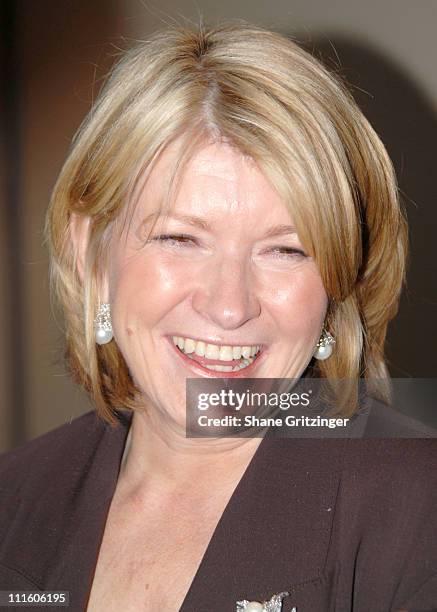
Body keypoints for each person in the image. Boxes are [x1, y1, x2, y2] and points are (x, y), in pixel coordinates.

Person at [1, 22, 436, 612]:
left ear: (337, 280)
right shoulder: (14, 498)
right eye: (180, 238)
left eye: (286, 249)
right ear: (89, 254)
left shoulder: (416, 510)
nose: (230, 306)